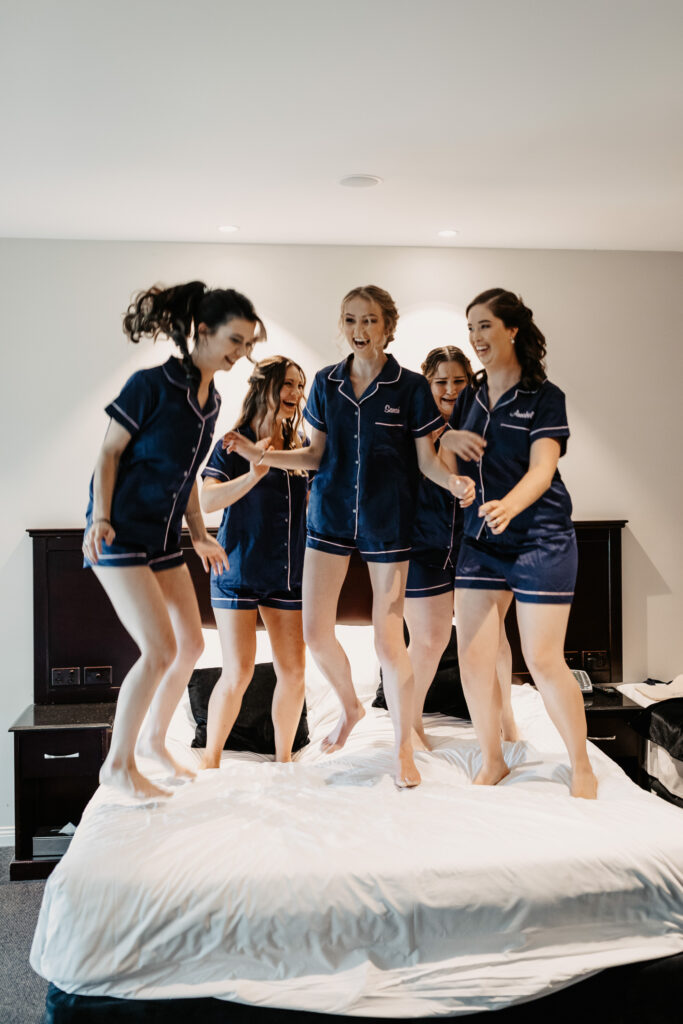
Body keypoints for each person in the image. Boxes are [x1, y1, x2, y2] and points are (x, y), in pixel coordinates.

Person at [225, 286, 474, 788]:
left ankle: (403, 749)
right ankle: (351, 706)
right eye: (350, 320)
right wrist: (264, 457)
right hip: (330, 522)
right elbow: (315, 456)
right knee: (316, 633)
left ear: (387, 327)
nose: (359, 330)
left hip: (387, 526)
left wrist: (453, 480)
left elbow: (427, 459)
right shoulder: (325, 383)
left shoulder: (409, 387)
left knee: (388, 640)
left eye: (369, 321)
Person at [82, 281, 266, 799]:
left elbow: (188, 479)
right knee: (160, 649)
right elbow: (109, 454)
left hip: (162, 539)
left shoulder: (211, 404)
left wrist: (201, 535)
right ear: (201, 332)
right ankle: (117, 765)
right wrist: (99, 518)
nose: (241, 353)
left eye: (248, 344)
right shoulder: (150, 385)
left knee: (191, 643)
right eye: (234, 340)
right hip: (117, 535)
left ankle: (152, 745)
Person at [440, 288, 597, 799]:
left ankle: (581, 764)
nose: (476, 338)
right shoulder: (469, 397)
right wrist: (455, 478)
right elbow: (452, 463)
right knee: (472, 656)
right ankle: (492, 759)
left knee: (544, 659)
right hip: (482, 539)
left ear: (512, 330)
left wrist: (511, 504)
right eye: (471, 329)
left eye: (485, 326)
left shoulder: (543, 397)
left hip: (540, 539)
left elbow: (542, 470)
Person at [404, 346, 518, 749]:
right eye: (441, 382)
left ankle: (508, 721)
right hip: (422, 547)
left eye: (458, 381)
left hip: (480, 545)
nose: (450, 389)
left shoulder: (486, 425)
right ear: (427, 383)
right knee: (430, 639)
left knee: (494, 636)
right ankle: (411, 721)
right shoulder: (412, 427)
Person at [199, 356, 308, 766]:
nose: (295, 394)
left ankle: (284, 762)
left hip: (286, 576)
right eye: (288, 385)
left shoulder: (300, 447)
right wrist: (253, 474)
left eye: (300, 386)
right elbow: (208, 501)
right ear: (266, 388)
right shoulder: (233, 441)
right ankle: (210, 761)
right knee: (240, 671)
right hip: (237, 572)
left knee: (294, 672)